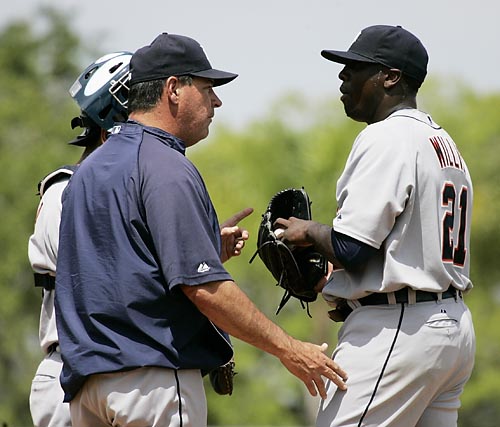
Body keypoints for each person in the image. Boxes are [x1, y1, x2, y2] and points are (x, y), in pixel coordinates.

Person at [54, 32, 348, 427]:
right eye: (207, 87)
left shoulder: (86, 172)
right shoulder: (165, 165)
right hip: (151, 385)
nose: (217, 101)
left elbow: (116, 269)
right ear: (173, 89)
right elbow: (204, 288)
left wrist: (204, 245)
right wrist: (289, 348)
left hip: (86, 390)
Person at [275, 25, 475, 427]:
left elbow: (353, 247)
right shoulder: (442, 141)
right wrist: (349, 295)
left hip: (400, 330)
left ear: (390, 76)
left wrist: (308, 231)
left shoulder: (388, 136)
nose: (342, 76)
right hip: (450, 329)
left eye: (355, 67)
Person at [28, 51, 132, 427]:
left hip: (108, 372)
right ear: (112, 128)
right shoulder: (65, 190)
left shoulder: (108, 192)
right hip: (70, 371)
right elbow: (93, 270)